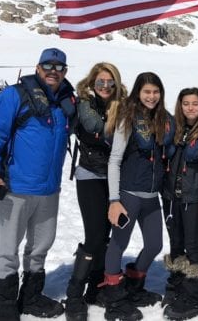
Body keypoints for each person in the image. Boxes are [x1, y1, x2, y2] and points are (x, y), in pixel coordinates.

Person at [0, 48, 76, 321]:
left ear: (65, 72)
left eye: (59, 66)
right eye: (48, 65)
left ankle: (31, 297)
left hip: (49, 190)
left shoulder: (66, 102)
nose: (53, 70)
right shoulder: (15, 95)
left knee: (41, 245)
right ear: (38, 67)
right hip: (15, 188)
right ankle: (7, 303)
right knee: (9, 248)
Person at [99, 72, 175, 321]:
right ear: (138, 93)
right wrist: (114, 200)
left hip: (152, 197)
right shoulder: (127, 118)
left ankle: (134, 286)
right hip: (129, 194)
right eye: (147, 92)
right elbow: (115, 160)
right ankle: (113, 299)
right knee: (118, 245)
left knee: (154, 245)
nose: (152, 97)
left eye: (156, 92)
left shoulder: (163, 119)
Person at [64, 63, 127, 321]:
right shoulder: (84, 104)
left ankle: (95, 286)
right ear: (92, 82)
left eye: (110, 82)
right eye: (100, 81)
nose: (105, 86)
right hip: (90, 174)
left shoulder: (121, 106)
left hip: (114, 177)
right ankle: (75, 292)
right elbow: (95, 128)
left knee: (108, 232)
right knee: (95, 235)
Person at [161, 88, 198, 320]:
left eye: (195, 103)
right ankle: (176, 286)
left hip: (192, 196)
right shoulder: (175, 130)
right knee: (175, 241)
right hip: (172, 195)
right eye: (186, 103)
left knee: (193, 243)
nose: (190, 108)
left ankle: (194, 295)